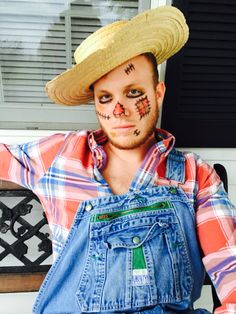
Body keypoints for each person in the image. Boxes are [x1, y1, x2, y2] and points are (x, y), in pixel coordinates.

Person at [0, 5, 235, 314]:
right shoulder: (58, 155)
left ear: (159, 92)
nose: (119, 110)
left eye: (133, 92)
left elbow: (230, 263)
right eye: (106, 97)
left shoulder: (194, 175)